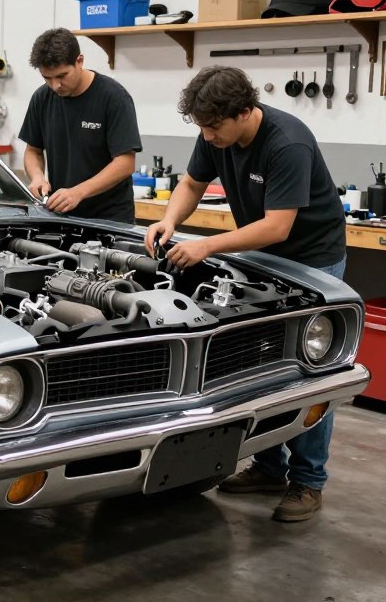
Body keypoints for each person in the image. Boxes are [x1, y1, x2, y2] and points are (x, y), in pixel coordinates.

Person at [144, 65, 347, 522]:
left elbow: (279, 226)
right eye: (202, 128)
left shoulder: (286, 142)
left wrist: (207, 245)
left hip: (313, 260)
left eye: (213, 127)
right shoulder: (215, 132)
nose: (207, 136)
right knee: (263, 364)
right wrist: (171, 220)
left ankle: (307, 483)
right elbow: (193, 183)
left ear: (243, 112)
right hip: (265, 256)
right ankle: (269, 466)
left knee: (308, 370)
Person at [18, 28, 142, 223]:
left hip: (109, 221)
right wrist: (37, 177)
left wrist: (79, 192)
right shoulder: (42, 98)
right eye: (47, 78)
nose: (55, 86)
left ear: (79, 61)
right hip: (62, 216)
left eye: (62, 76)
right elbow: (33, 150)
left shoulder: (114, 97)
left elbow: (125, 163)